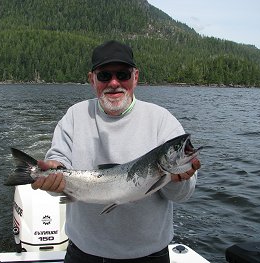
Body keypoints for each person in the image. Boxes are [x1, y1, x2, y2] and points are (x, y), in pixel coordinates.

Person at [32, 40, 201, 263]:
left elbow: (182, 195)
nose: (114, 83)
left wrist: (177, 180)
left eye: (122, 75)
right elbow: (57, 165)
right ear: (91, 79)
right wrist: (52, 176)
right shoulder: (74, 116)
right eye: (104, 76)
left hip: (148, 255)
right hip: (83, 252)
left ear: (135, 77)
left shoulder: (162, 121)